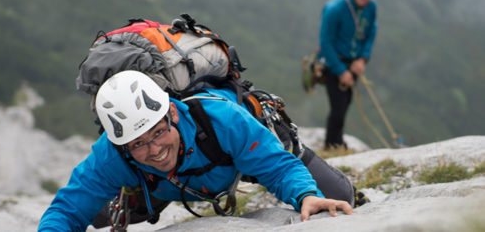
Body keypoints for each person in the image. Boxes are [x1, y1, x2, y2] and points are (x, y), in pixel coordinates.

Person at [38, 70, 356, 231]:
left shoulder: (221, 120)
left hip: (235, 160)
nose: (154, 150)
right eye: (137, 143)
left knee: (337, 196)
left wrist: (305, 195)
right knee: (97, 212)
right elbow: (67, 208)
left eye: (159, 132)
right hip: (162, 186)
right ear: (121, 144)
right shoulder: (113, 153)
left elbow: (278, 167)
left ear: (172, 113)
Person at [318, 0, 379, 149]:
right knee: (338, 108)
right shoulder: (334, 9)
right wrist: (340, 71)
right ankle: (332, 145)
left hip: (354, 64)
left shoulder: (371, 7)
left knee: (345, 103)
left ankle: (337, 142)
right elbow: (325, 43)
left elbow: (371, 31)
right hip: (333, 64)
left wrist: (363, 59)